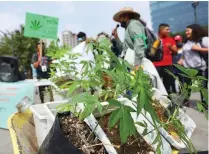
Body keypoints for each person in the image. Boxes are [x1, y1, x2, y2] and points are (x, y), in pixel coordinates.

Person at [112, 7, 168, 96]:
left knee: (138, 93)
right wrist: (116, 38)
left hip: (137, 64)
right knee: (134, 93)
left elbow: (139, 43)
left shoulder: (134, 24)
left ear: (126, 16)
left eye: (120, 18)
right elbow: (125, 48)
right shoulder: (128, 27)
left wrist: (137, 64)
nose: (119, 21)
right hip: (131, 63)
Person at [178, 24, 208, 108]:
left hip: (200, 68)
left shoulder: (201, 40)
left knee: (203, 87)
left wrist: (199, 49)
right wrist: (181, 59)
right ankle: (185, 101)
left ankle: (204, 105)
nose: (186, 32)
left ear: (194, 31)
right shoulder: (185, 42)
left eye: (188, 30)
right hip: (188, 68)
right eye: (186, 30)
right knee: (186, 86)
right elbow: (184, 53)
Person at [153, 23, 178, 94]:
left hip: (168, 65)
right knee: (156, 84)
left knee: (168, 85)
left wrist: (170, 47)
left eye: (169, 29)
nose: (168, 31)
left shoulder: (170, 39)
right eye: (167, 29)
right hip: (156, 65)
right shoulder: (154, 39)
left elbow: (176, 52)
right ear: (161, 30)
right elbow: (151, 52)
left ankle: (169, 101)